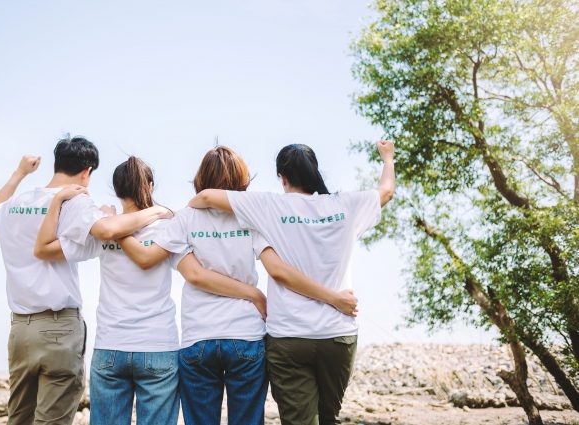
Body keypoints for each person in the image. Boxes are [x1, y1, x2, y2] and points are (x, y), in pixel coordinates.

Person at [116, 146, 359, 425]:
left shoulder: (185, 217)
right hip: (246, 334)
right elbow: (275, 267)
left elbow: (193, 275)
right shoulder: (251, 217)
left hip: (199, 337)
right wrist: (255, 294)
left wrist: (115, 225)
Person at [188, 141, 395, 425]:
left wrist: (192, 207)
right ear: (314, 172)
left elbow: (207, 197)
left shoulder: (269, 206)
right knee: (328, 418)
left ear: (281, 177)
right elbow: (386, 191)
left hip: (289, 336)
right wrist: (387, 158)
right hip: (337, 334)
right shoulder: (345, 204)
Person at [36, 156, 251, 425]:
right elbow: (196, 274)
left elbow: (44, 249)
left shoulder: (101, 229)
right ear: (150, 186)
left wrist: (62, 206)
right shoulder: (168, 227)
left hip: (110, 345)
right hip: (157, 345)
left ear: (117, 190)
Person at [0, 137, 170, 425]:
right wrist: (158, 210)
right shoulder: (76, 202)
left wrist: (19, 174)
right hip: (58, 326)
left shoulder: (17, 202)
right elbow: (107, 230)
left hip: (20, 328)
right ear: (87, 172)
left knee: (19, 416)